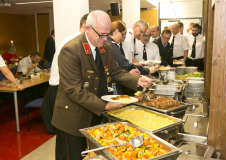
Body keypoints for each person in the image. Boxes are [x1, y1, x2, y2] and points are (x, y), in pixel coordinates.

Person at [51, 10, 152, 160]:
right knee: (71, 155)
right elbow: (73, 89)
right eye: (102, 35)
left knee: (92, 154)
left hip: (94, 112)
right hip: (72, 115)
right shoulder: (70, 50)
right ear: (87, 29)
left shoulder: (106, 48)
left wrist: (136, 80)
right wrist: (103, 105)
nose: (105, 38)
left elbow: (115, 72)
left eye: (108, 34)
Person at [41, 13, 88, 134]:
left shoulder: (79, 41)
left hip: (64, 88)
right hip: (60, 90)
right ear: (85, 27)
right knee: (67, 134)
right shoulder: (73, 42)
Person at [106, 21, 158, 95]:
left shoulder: (111, 44)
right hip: (114, 83)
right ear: (116, 32)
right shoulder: (112, 45)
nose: (123, 37)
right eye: (123, 34)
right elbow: (124, 65)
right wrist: (147, 70)